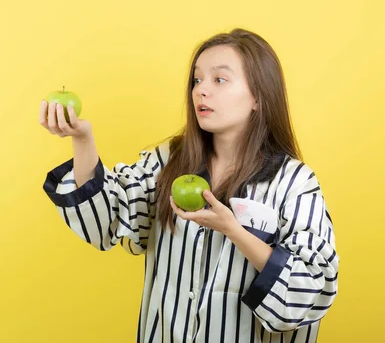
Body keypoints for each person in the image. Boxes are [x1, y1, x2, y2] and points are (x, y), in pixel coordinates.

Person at [40, 28, 339, 342]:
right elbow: (107, 219)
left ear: (258, 96)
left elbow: (308, 291)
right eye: (197, 80)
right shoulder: (168, 160)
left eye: (219, 80)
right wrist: (82, 139)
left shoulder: (294, 182)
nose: (201, 91)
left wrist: (234, 230)